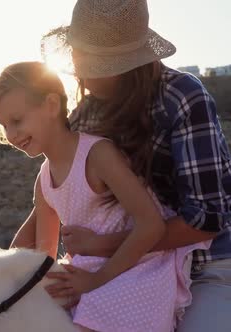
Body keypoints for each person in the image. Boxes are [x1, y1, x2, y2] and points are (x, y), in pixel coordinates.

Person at [29, 0, 231, 330]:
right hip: (124, 268)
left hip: (207, 266)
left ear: (123, 65)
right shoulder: (88, 114)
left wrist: (102, 245)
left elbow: (206, 220)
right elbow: (51, 198)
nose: (78, 70)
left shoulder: (182, 97)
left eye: (89, 61)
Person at [0, 61, 206, 332]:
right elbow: (42, 255)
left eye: (17, 121)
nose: (11, 134)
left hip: (138, 267)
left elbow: (152, 225)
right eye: (4, 125)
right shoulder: (44, 178)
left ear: (51, 105)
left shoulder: (97, 155)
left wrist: (96, 281)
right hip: (89, 270)